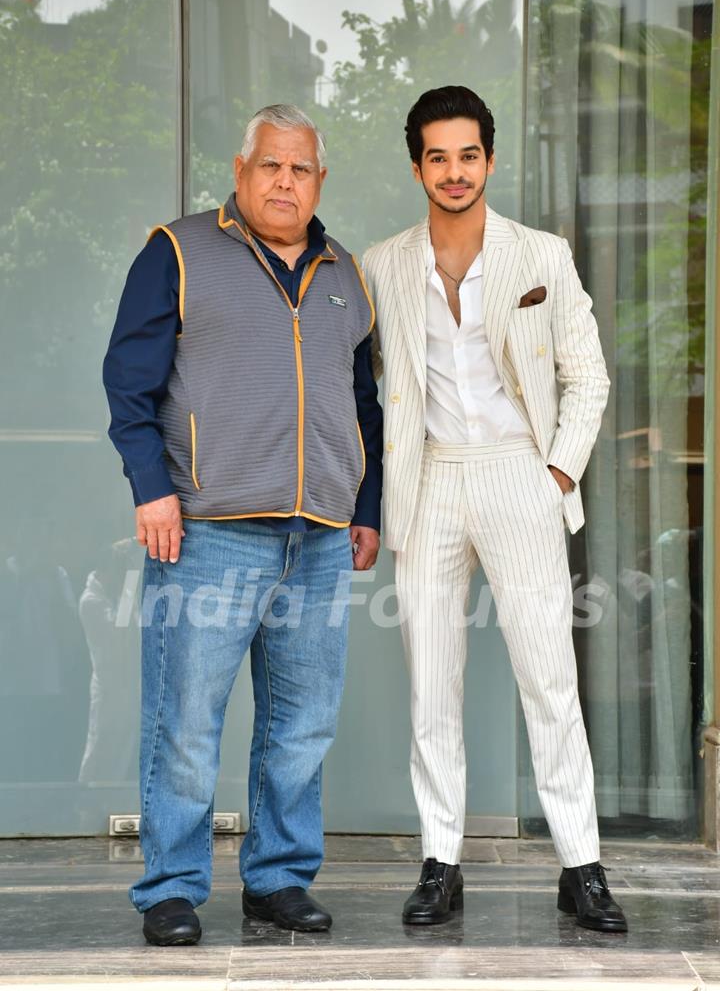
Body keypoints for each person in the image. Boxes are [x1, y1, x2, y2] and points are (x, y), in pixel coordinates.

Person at [103, 104, 382, 946]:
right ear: (241, 169)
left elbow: (362, 399)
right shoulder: (178, 252)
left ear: (319, 180)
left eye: (300, 169)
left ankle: (279, 880)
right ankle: (172, 887)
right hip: (209, 531)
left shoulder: (346, 273)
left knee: (302, 724)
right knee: (185, 720)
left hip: (322, 538)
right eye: (270, 166)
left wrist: (363, 509)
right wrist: (152, 489)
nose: (285, 182)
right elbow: (129, 382)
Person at [362, 86, 626, 933]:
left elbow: (587, 377)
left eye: (467, 154)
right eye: (436, 157)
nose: (453, 171)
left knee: (548, 676)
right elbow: (367, 390)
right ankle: (442, 861)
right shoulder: (381, 264)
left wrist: (552, 475)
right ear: (416, 167)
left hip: (520, 470)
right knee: (431, 683)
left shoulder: (541, 255)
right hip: (429, 477)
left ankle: (580, 865)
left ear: (491, 160)